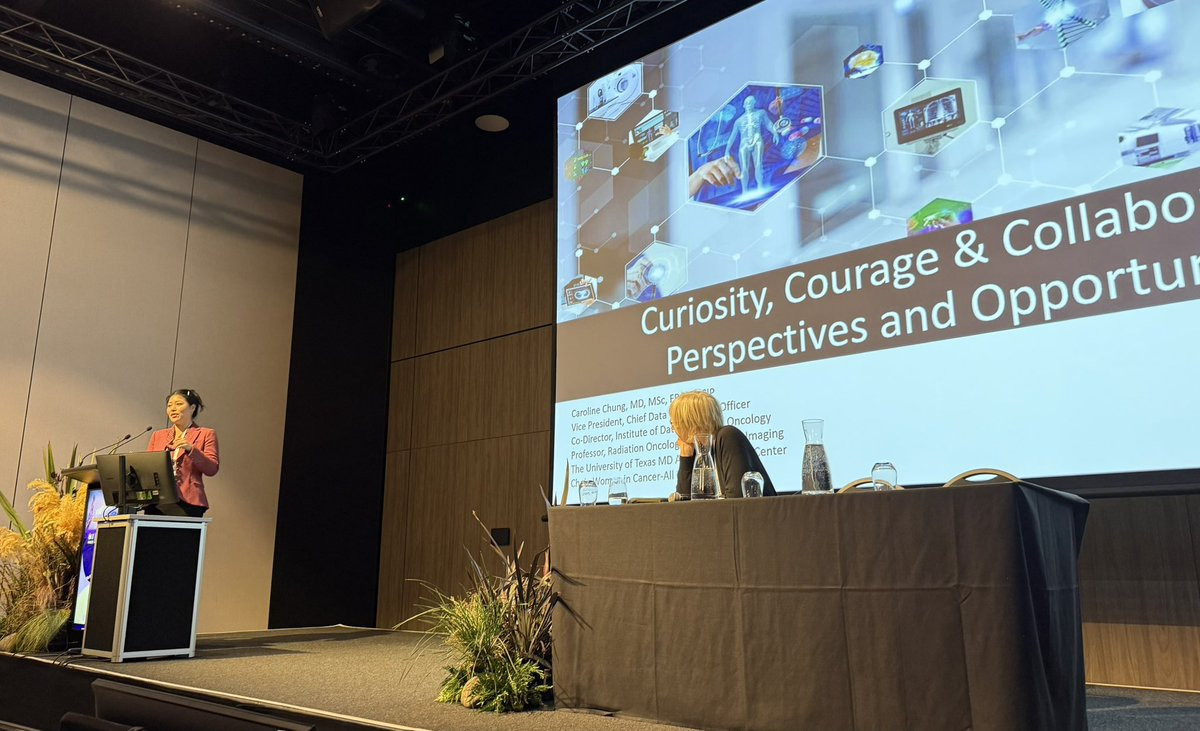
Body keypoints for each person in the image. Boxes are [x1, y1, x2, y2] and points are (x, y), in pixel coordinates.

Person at [669, 390, 776, 499]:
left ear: (688, 422)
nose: (673, 429)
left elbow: (736, 498)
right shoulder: (699, 452)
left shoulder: (728, 436)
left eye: (673, 423)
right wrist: (686, 458)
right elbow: (684, 504)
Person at [146, 388, 219, 517]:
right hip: (158, 501)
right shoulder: (158, 436)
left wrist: (191, 449)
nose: (173, 409)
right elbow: (147, 468)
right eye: (169, 405)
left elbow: (212, 468)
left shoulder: (206, 434)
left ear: (192, 408)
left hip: (188, 501)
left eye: (179, 404)